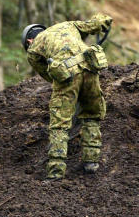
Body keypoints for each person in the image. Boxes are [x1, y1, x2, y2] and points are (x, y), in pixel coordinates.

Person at [22, 12, 112, 179]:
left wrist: (69, 88)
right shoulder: (67, 25)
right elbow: (94, 25)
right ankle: (91, 163)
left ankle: (56, 172)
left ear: (29, 41)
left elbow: (49, 76)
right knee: (92, 116)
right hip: (91, 69)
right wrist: (103, 20)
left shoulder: (33, 49)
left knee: (59, 124)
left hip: (67, 76)